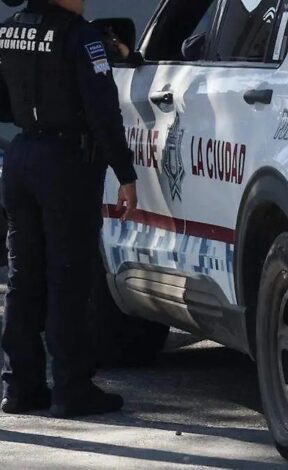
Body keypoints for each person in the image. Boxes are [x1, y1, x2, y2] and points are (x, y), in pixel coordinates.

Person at [0, 0, 138, 417]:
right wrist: (125, 173)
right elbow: (103, 112)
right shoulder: (81, 37)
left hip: (22, 156)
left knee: (24, 278)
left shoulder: (9, 29)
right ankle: (72, 389)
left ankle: (20, 387)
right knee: (69, 278)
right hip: (65, 164)